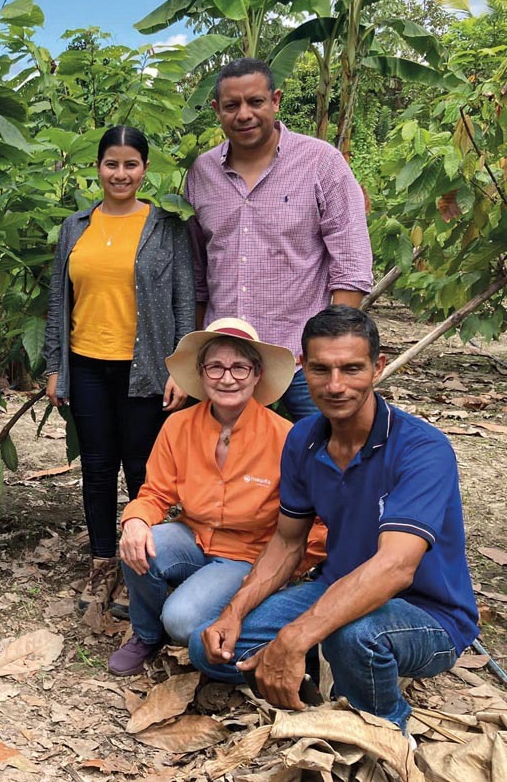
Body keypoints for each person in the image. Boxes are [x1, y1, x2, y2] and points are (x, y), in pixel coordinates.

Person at [191, 307, 479, 733]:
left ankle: (385, 730)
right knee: (211, 646)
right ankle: (317, 667)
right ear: (303, 368)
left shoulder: (422, 449)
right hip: (335, 586)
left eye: (352, 368)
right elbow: (288, 542)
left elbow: (396, 567)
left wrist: (295, 636)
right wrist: (233, 612)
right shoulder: (303, 438)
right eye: (321, 369)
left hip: (429, 613)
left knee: (356, 636)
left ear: (377, 367)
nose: (336, 385)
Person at [108, 318, 325, 675]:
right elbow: (155, 492)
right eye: (215, 367)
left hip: (247, 555)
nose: (227, 378)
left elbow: (316, 521)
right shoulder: (179, 426)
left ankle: (225, 614)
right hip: (193, 536)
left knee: (180, 621)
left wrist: (285, 571)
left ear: (257, 375)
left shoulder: (285, 437)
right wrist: (135, 520)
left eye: (239, 367)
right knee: (139, 542)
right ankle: (146, 634)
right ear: (201, 373)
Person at [43, 125, 195, 616]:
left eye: (131, 164)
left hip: (146, 367)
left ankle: (142, 563)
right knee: (97, 465)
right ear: (98, 167)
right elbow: (58, 300)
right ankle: (102, 561)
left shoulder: (165, 227)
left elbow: (184, 301)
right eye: (112, 164)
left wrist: (182, 368)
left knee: (143, 468)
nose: (121, 173)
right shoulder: (75, 227)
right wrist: (54, 365)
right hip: (87, 363)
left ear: (144, 169)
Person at [185, 57, 373, 421]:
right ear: (217, 110)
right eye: (232, 105)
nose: (244, 114)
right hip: (227, 362)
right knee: (226, 454)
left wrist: (331, 350)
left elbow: (351, 265)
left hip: (301, 357)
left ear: (276, 101)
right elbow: (197, 273)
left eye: (255, 102)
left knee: (327, 449)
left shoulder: (321, 163)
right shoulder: (201, 173)